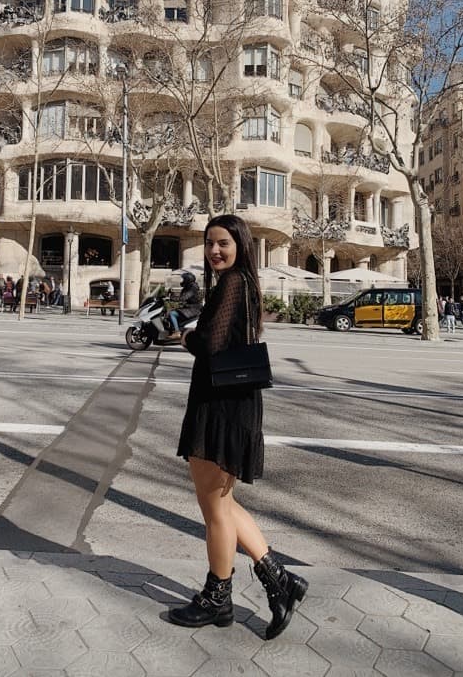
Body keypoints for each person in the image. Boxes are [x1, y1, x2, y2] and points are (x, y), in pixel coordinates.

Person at [170, 214, 308, 639]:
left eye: (223, 243)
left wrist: (186, 338)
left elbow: (210, 344)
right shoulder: (243, 283)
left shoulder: (233, 283)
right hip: (232, 404)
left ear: (241, 245)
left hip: (221, 408)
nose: (214, 251)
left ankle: (217, 598)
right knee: (224, 506)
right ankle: (278, 580)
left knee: (214, 511)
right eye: (210, 243)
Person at [168, 272, 202, 338]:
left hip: (194, 309)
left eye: (183, 279)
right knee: (171, 312)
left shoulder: (193, 287)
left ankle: (177, 332)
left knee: (172, 314)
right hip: (190, 308)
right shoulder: (188, 287)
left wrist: (172, 298)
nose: (182, 281)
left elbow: (184, 297)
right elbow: (181, 296)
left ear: (187, 280)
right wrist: (172, 294)